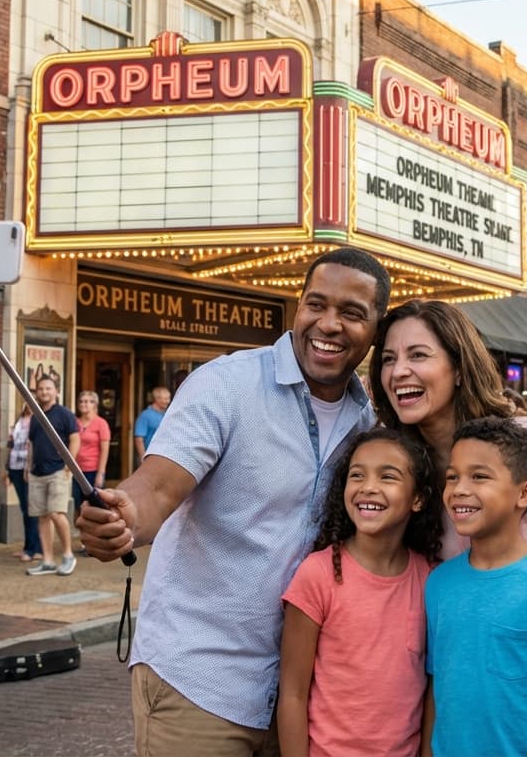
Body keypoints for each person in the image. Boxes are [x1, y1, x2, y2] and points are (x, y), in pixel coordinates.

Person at [76, 248, 391, 755]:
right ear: (298, 306)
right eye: (316, 304)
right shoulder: (224, 384)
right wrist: (124, 517)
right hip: (199, 680)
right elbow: (155, 487)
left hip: (302, 692)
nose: (329, 324)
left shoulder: (367, 422)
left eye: (352, 313)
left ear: (376, 329)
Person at [373, 300, 527, 757]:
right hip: (467, 697)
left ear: (460, 367)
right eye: (388, 359)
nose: (399, 371)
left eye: (418, 355)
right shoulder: (400, 467)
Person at [423, 417, 527, 756]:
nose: (459, 489)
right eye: (452, 477)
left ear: (526, 492)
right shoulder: (438, 583)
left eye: (479, 476)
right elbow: (436, 688)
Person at [278, 427, 442, 757]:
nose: (368, 488)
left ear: (418, 498)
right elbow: (293, 694)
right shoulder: (318, 574)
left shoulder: (431, 579)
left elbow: (433, 691)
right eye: (357, 475)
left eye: (388, 477)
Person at [24, 376, 80, 577]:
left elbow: (75, 438)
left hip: (58, 471)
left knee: (57, 513)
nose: (44, 392)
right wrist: (28, 467)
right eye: (40, 389)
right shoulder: (35, 416)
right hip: (37, 473)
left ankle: (68, 555)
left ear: (56, 391)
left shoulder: (64, 414)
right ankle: (47, 560)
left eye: (48, 388)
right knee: (43, 517)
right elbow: (32, 443)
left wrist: (69, 465)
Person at [4, 404, 42, 562]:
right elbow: (10, 445)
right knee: (24, 509)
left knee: (31, 510)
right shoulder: (19, 421)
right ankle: (27, 547)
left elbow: (35, 446)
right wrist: (7, 470)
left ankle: (36, 549)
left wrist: (29, 468)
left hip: (29, 469)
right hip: (15, 467)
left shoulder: (38, 420)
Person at [73, 389, 110, 523]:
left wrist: (101, 473)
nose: (84, 404)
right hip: (76, 470)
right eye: (82, 401)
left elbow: (104, 450)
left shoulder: (101, 423)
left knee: (93, 506)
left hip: (93, 470)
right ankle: (83, 536)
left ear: (95, 404)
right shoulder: (74, 422)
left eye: (89, 401)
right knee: (78, 504)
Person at [133, 386, 171, 465]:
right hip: (150, 458)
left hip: (165, 457)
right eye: (165, 398)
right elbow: (139, 439)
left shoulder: (167, 415)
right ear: (157, 399)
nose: (168, 401)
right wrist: (143, 459)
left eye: (168, 398)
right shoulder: (145, 415)